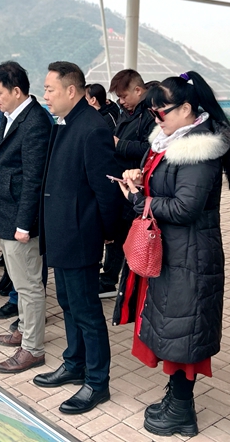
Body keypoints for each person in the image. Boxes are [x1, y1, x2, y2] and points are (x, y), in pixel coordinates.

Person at [115, 71, 230, 437]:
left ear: (186, 109)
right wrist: (141, 179)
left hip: (191, 255)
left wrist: (140, 200)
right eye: (152, 113)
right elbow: (168, 190)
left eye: (161, 112)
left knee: (185, 331)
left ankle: (182, 411)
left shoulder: (198, 150)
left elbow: (185, 207)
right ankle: (176, 400)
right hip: (176, 252)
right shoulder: (173, 140)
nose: (156, 119)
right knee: (174, 326)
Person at [32, 61, 120, 415]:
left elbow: (106, 189)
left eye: (50, 89)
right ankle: (74, 363)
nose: (46, 96)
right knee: (68, 303)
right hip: (62, 232)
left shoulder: (93, 127)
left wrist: (108, 233)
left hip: (80, 233)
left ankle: (97, 382)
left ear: (71, 90)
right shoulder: (68, 122)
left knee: (86, 310)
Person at [0, 61, 52, 374]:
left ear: (16, 90)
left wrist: (24, 224)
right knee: (20, 280)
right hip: (6, 213)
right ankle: (24, 329)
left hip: (19, 219)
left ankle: (33, 349)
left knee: (29, 285)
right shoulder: (9, 116)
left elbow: (34, 179)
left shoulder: (35, 121)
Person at [100, 69, 156, 297]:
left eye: (123, 96)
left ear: (138, 90)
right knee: (117, 234)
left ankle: (123, 281)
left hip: (138, 186)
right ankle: (110, 278)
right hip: (122, 182)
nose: (121, 102)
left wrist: (119, 144)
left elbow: (151, 150)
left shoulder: (150, 114)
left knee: (132, 235)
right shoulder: (127, 112)